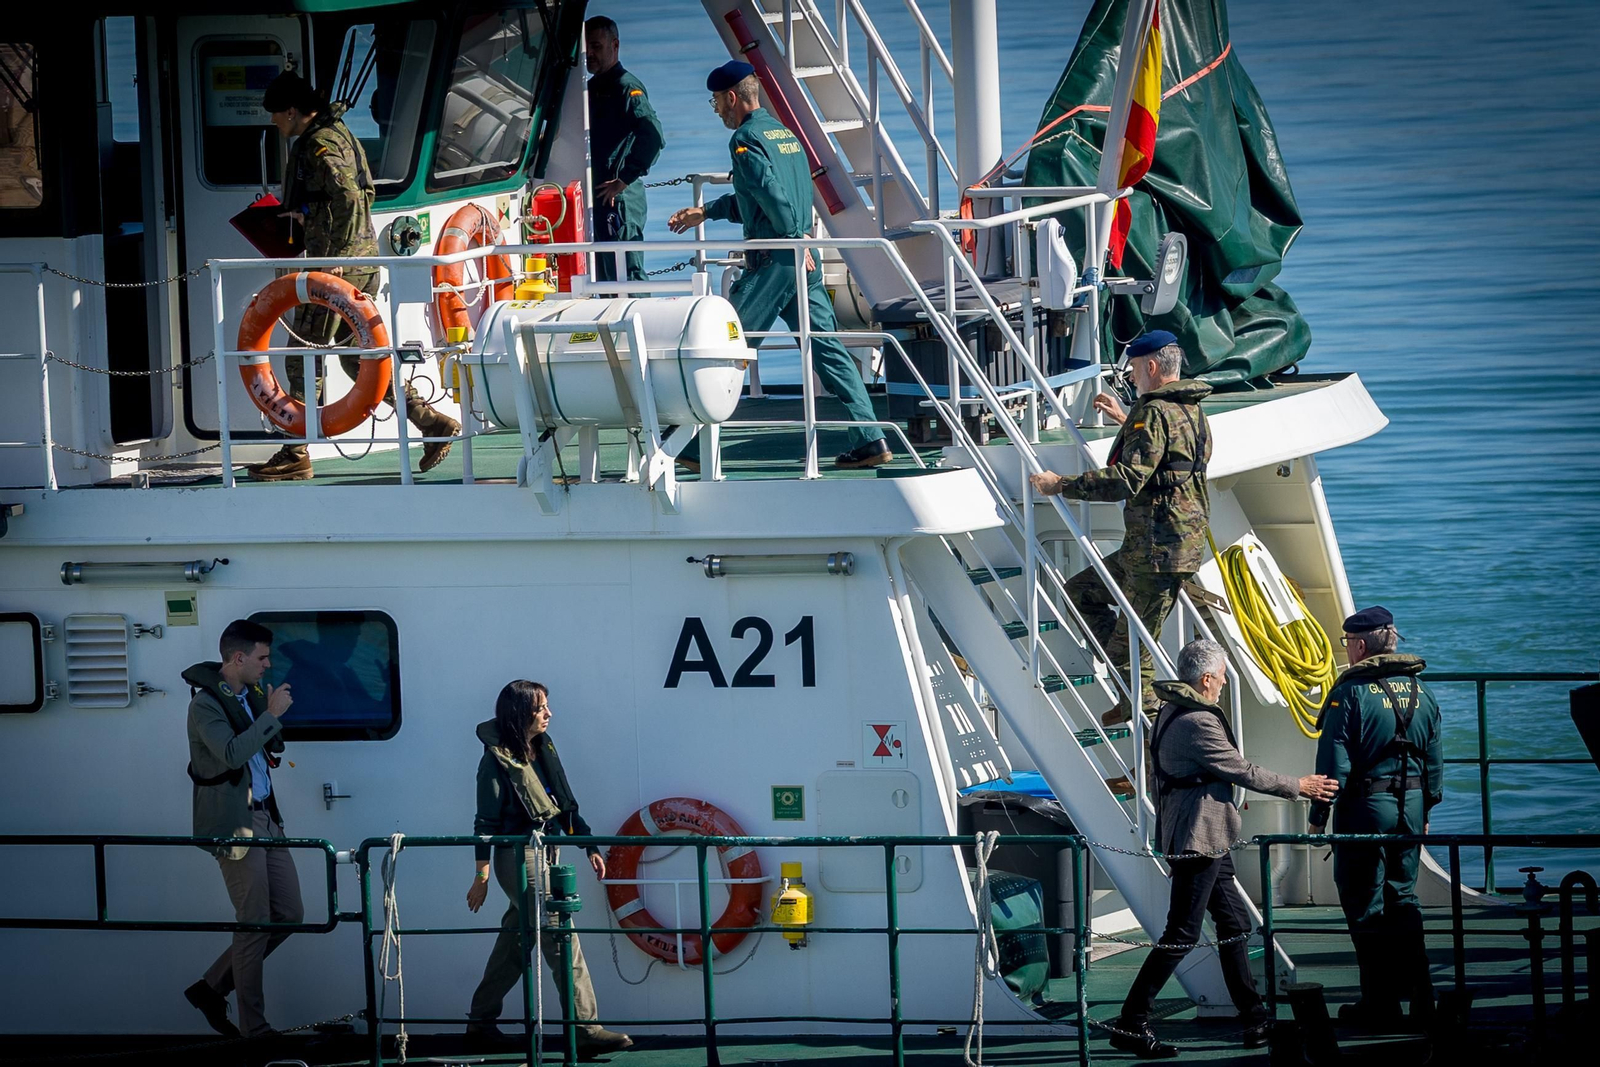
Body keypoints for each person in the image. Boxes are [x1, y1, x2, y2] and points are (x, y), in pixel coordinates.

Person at [1107, 639, 1340, 1059]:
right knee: (1182, 932)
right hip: (1199, 837)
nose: (1226, 682)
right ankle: (1132, 1021)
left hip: (1208, 837)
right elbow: (1241, 769)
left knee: (1234, 924)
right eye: (1223, 675)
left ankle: (1254, 1020)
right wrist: (1299, 786)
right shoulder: (1197, 720)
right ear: (1207, 678)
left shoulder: (1170, 709)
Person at [668, 61, 890, 472]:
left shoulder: (744, 140)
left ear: (732, 97)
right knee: (828, 350)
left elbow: (772, 198)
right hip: (804, 261)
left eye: (716, 101)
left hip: (775, 263)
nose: (716, 109)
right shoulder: (785, 136)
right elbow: (759, 199)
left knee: (725, 343)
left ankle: (690, 445)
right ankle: (871, 437)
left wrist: (790, 237)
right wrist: (706, 212)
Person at [248, 71, 459, 482]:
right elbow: (354, 196)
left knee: (301, 355)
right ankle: (430, 422)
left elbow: (345, 195)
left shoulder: (320, 143)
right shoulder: (339, 132)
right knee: (357, 359)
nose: (274, 122)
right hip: (360, 263)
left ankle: (295, 450)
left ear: (292, 111)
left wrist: (335, 257)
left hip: (337, 268)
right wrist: (307, 215)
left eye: (276, 115)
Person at [1029, 330, 1211, 726]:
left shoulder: (1155, 413)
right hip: (1163, 546)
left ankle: (1149, 720)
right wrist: (1127, 420)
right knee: (1081, 591)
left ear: (1150, 366)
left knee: (1130, 645)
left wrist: (1060, 484)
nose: (1130, 377)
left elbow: (1127, 479)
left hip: (1156, 552)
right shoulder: (1189, 410)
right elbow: (1169, 454)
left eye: (1132, 369)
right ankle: (1135, 695)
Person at [465, 681, 632, 1057]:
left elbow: (565, 807)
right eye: (540, 708)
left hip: (548, 850)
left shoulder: (543, 750)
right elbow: (485, 823)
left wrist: (589, 846)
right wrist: (481, 878)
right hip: (517, 855)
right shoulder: (495, 761)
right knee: (559, 931)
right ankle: (585, 1028)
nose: (548, 714)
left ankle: (480, 1022)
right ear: (520, 712)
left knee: (516, 939)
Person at [1309, 606, 1443, 1030]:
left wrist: (1317, 817)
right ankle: (1424, 998)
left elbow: (1334, 764)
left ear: (1361, 645)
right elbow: (1435, 758)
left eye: (1347, 643)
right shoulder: (1423, 692)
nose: (1347, 650)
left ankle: (1380, 1002)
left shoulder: (1348, 694)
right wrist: (1428, 809)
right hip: (1413, 809)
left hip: (1365, 811)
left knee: (1364, 903)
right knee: (1403, 898)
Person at [182, 619, 303, 1038]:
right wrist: (270, 715)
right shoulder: (205, 705)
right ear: (238, 658)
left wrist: (268, 717)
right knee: (253, 920)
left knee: (289, 914)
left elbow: (265, 750)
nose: (268, 665)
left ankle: (210, 987)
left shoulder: (248, 695)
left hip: (268, 816)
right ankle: (256, 1030)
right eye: (262, 657)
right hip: (237, 823)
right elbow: (232, 754)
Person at [584, 15, 665, 286]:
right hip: (597, 198)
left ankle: (643, 325)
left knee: (627, 273)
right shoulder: (589, 89)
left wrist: (624, 179)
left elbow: (652, 136)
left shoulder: (626, 87)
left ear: (614, 45)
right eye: (587, 48)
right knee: (603, 276)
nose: (590, 54)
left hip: (620, 198)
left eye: (596, 46)